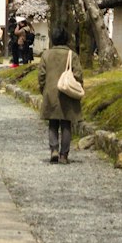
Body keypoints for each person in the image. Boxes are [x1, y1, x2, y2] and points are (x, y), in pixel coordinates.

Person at [37, 27, 84, 164]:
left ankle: (54, 150)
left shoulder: (46, 55)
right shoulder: (72, 55)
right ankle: (64, 155)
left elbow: (41, 75)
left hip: (51, 92)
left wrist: (43, 89)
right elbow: (78, 74)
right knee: (66, 124)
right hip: (66, 92)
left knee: (52, 123)